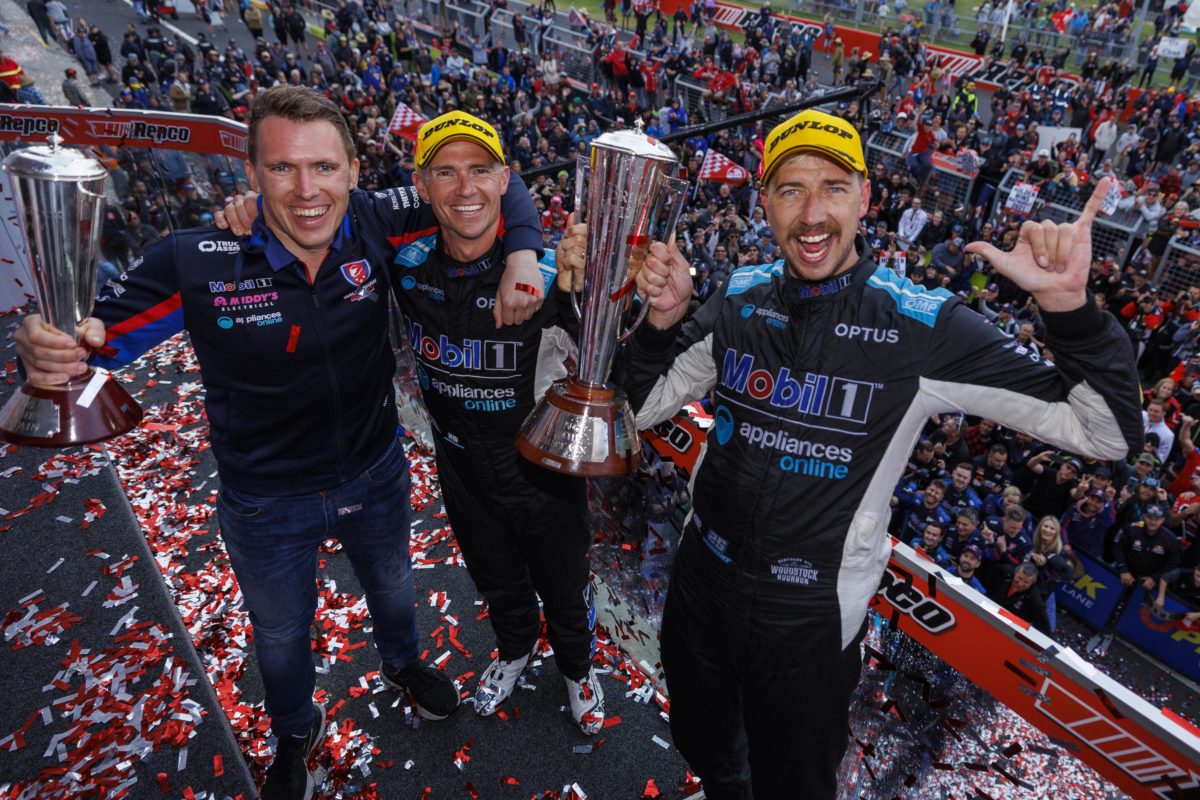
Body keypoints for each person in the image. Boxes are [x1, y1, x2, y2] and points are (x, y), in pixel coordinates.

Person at [14, 87, 545, 800]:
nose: (305, 191)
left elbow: (493, 190)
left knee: (394, 590)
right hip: (266, 502)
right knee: (282, 636)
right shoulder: (196, 260)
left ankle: (404, 665)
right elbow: (92, 341)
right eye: (283, 170)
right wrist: (44, 349)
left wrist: (525, 255)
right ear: (252, 176)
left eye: (324, 168)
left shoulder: (374, 222)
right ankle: (296, 730)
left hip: (375, 474)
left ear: (355, 174)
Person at [623, 108, 1142, 798]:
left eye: (833, 187)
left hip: (807, 622)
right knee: (702, 740)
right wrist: (661, 323)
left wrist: (1071, 312)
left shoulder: (921, 323)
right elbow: (637, 407)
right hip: (700, 585)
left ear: (865, 198)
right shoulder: (741, 296)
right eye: (789, 190)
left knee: (795, 785)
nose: (811, 213)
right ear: (765, 203)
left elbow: (1104, 431)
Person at [220, 109, 606, 734]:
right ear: (420, 186)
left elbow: (606, 352)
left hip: (543, 475)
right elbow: (317, 205)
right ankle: (514, 650)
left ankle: (578, 669)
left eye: (481, 171)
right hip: (460, 466)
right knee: (497, 581)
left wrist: (534, 259)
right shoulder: (403, 261)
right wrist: (254, 207)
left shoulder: (542, 269)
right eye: (445, 173)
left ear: (505, 178)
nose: (465, 188)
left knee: (565, 587)